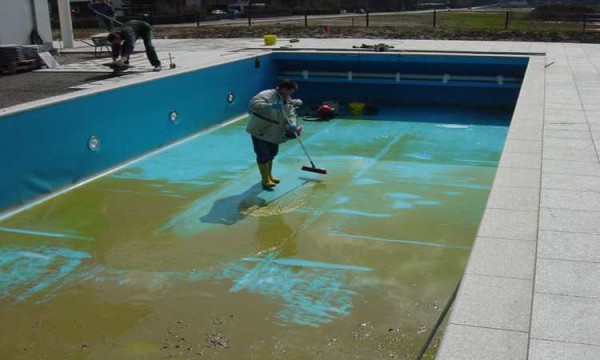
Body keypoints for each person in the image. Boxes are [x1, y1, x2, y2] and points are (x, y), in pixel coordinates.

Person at [247, 80, 303, 190]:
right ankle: (265, 179)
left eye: (291, 92)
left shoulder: (287, 99)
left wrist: (292, 123)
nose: (290, 94)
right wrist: (270, 105)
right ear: (282, 88)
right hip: (261, 130)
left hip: (275, 132)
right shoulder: (267, 94)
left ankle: (269, 175)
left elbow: (290, 112)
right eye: (289, 91)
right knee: (262, 154)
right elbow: (253, 104)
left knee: (272, 153)